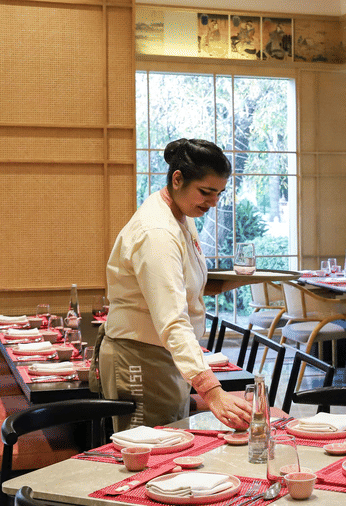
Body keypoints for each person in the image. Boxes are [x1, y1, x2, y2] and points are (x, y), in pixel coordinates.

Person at [100, 138, 251, 431]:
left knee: (171, 441)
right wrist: (212, 391)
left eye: (219, 193)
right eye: (206, 192)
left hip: (160, 353)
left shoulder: (181, 213)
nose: (214, 202)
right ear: (177, 179)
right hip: (141, 354)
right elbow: (172, 320)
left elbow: (177, 280)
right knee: (150, 451)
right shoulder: (156, 231)